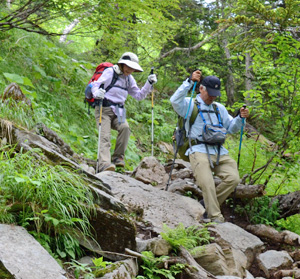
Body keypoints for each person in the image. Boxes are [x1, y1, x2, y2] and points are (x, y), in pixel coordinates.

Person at [170, 70, 249, 223]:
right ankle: (215, 217)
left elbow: (232, 128)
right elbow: (174, 100)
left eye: (215, 94)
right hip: (197, 150)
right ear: (201, 89)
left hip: (219, 151)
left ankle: (205, 204)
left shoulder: (219, 108)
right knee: (207, 183)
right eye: (210, 93)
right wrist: (189, 82)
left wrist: (240, 118)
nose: (212, 97)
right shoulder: (188, 104)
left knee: (233, 178)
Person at [91, 52, 157, 172]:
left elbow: (139, 95)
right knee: (105, 136)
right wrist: (97, 94)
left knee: (125, 128)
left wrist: (149, 83)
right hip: (104, 108)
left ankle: (117, 158)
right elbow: (95, 85)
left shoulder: (129, 79)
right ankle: (104, 164)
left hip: (119, 111)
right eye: (128, 66)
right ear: (122, 64)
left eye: (132, 68)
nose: (130, 70)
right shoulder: (110, 72)